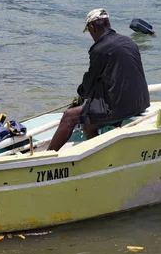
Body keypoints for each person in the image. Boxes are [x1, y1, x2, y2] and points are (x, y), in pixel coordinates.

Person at [47, 9, 150, 151]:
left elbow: (89, 84)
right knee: (88, 122)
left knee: (69, 116)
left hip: (121, 107)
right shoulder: (128, 41)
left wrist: (81, 95)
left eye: (89, 31)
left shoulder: (100, 49)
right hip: (141, 102)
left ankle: (47, 156)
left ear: (92, 27)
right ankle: (97, 152)